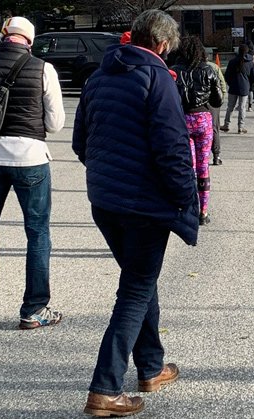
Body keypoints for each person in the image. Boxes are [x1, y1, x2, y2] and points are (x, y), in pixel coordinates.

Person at [72, 10, 199, 417]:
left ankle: (151, 366)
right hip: (144, 204)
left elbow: (80, 141)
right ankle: (105, 388)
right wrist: (186, 200)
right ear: (161, 44)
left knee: (141, 280)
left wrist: (108, 173)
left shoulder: (99, 76)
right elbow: (173, 149)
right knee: (134, 290)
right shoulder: (157, 78)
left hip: (105, 200)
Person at [0, 16, 65, 330]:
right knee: (36, 234)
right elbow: (56, 123)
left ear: (3, 36)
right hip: (30, 158)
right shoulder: (44, 69)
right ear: (30, 41)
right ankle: (33, 309)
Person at [171, 36, 223, 225]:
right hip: (203, 120)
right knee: (203, 166)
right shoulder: (208, 70)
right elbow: (218, 100)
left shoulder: (175, 72)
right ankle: (203, 212)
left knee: (188, 167)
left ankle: (188, 208)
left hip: (182, 120)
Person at [221, 44, 254, 134]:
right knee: (242, 107)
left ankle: (226, 125)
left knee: (230, 107)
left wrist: (230, 83)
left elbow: (227, 75)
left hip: (233, 86)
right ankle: (240, 127)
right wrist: (250, 85)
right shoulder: (250, 62)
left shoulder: (232, 61)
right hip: (244, 87)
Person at [206, 53, 226, 166]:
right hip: (214, 101)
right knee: (214, 128)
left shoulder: (191, 67)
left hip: (199, 103)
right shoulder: (214, 67)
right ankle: (216, 155)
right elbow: (222, 84)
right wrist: (222, 98)